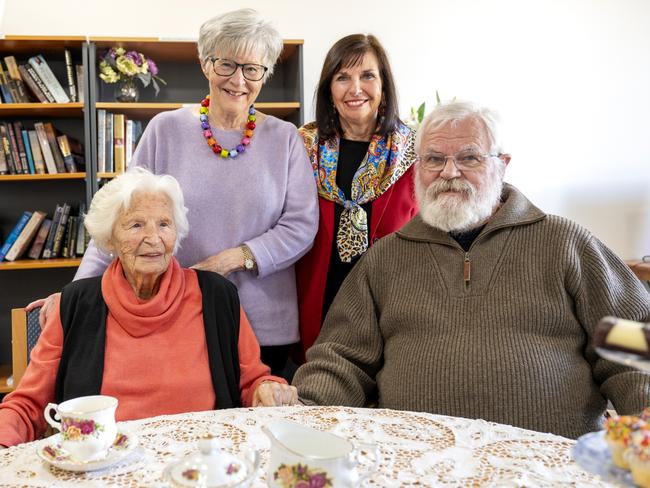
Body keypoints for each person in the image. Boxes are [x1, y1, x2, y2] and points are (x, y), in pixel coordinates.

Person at [292, 100, 650, 439]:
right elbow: (341, 359)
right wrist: (300, 409)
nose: (449, 172)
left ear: (502, 164)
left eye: (469, 158)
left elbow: (634, 346)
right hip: (414, 463)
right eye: (434, 159)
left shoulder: (565, 243)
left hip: (549, 463)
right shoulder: (385, 258)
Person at [28, 9, 319, 378]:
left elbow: (300, 226)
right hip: (178, 312)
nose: (239, 80)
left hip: (264, 322)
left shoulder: (286, 139)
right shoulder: (164, 130)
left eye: (252, 69)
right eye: (226, 64)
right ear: (205, 64)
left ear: (265, 74)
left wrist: (226, 262)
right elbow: (122, 218)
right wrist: (75, 294)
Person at [0, 169, 297, 447]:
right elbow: (27, 406)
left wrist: (267, 389)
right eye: (136, 225)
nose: (153, 239)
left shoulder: (217, 297)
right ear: (110, 236)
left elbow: (253, 382)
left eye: (164, 224)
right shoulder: (75, 304)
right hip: (104, 470)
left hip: (200, 465)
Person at [296, 34, 418, 357]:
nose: (355, 89)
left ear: (384, 86)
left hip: (392, 311)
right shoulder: (302, 148)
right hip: (316, 306)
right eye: (342, 78)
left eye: (367, 76)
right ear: (328, 90)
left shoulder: (413, 153)